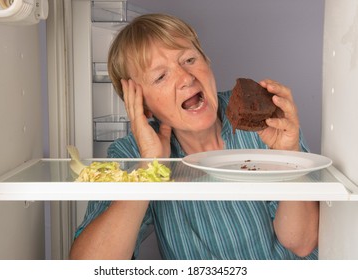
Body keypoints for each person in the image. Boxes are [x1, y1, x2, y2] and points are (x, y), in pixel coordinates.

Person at [69, 13, 319, 260]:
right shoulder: (133, 153)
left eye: (189, 59)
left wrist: (289, 156)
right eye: (160, 76)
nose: (186, 78)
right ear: (141, 105)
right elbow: (88, 268)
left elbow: (301, 243)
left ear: (207, 62)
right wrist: (149, 169)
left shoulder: (260, 121)